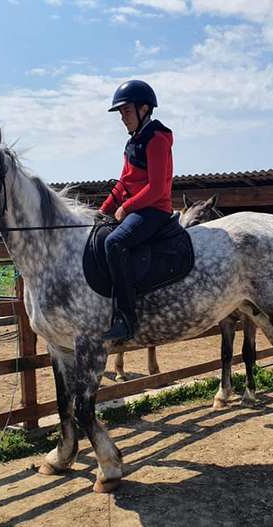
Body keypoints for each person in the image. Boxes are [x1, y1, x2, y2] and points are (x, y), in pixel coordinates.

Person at [98, 79, 174, 341]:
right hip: (137, 210)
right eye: (120, 113)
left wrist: (125, 208)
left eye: (126, 111)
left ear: (144, 109)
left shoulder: (157, 138)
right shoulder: (133, 142)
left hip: (154, 210)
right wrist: (104, 209)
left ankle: (127, 319)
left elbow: (156, 188)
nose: (123, 118)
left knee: (114, 243)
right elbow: (123, 182)